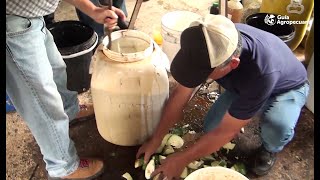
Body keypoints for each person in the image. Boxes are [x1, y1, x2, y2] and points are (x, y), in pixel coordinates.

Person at [136, 14, 309, 179]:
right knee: (212, 127)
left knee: (277, 127)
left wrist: (181, 159)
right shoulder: (216, 37)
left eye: (203, 74)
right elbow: (181, 94)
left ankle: (270, 148)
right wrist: (157, 137)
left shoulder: (261, 73)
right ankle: (244, 112)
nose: (198, 79)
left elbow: (227, 131)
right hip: (243, 85)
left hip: (287, 88)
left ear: (232, 64)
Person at [6, 0, 125, 179]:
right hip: (11, 25)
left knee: (56, 70)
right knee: (40, 99)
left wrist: (92, 9)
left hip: (30, 17)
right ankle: (63, 167)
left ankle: (69, 112)